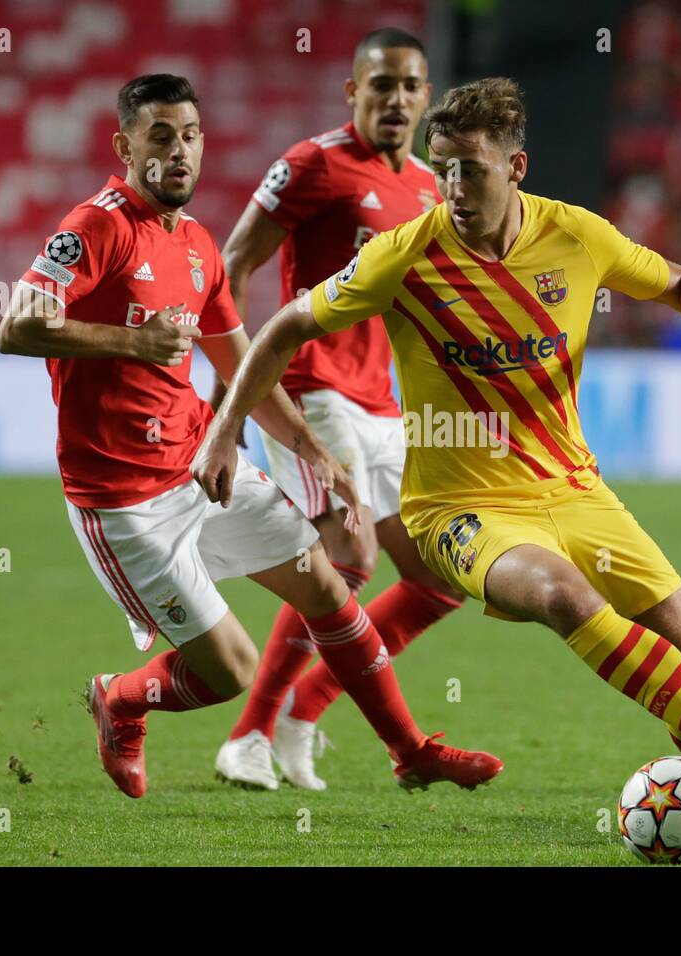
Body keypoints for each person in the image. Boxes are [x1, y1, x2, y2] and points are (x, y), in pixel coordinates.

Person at [192, 78, 681, 844]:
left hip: (575, 490)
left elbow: (679, 280)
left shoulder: (577, 236)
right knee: (560, 595)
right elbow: (284, 326)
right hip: (461, 510)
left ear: (516, 167)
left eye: (470, 169)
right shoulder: (404, 254)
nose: (451, 187)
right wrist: (224, 429)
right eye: (442, 167)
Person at [0, 73, 502, 799]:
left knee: (329, 588)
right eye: (161, 136)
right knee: (224, 672)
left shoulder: (199, 244)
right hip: (124, 501)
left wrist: (313, 452)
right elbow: (17, 325)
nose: (179, 151)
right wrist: (130, 344)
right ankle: (123, 698)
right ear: (124, 145)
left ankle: (410, 750)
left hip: (199, 468)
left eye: (191, 135)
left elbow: (242, 370)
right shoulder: (96, 226)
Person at [211, 27, 466, 792]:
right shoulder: (312, 164)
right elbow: (233, 263)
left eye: (409, 86)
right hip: (311, 388)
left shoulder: (428, 185)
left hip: (381, 402)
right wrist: (236, 380)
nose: (394, 99)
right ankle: (247, 736)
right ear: (352, 91)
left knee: (438, 578)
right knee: (348, 554)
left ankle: (299, 713)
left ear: (426, 98)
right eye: (378, 85)